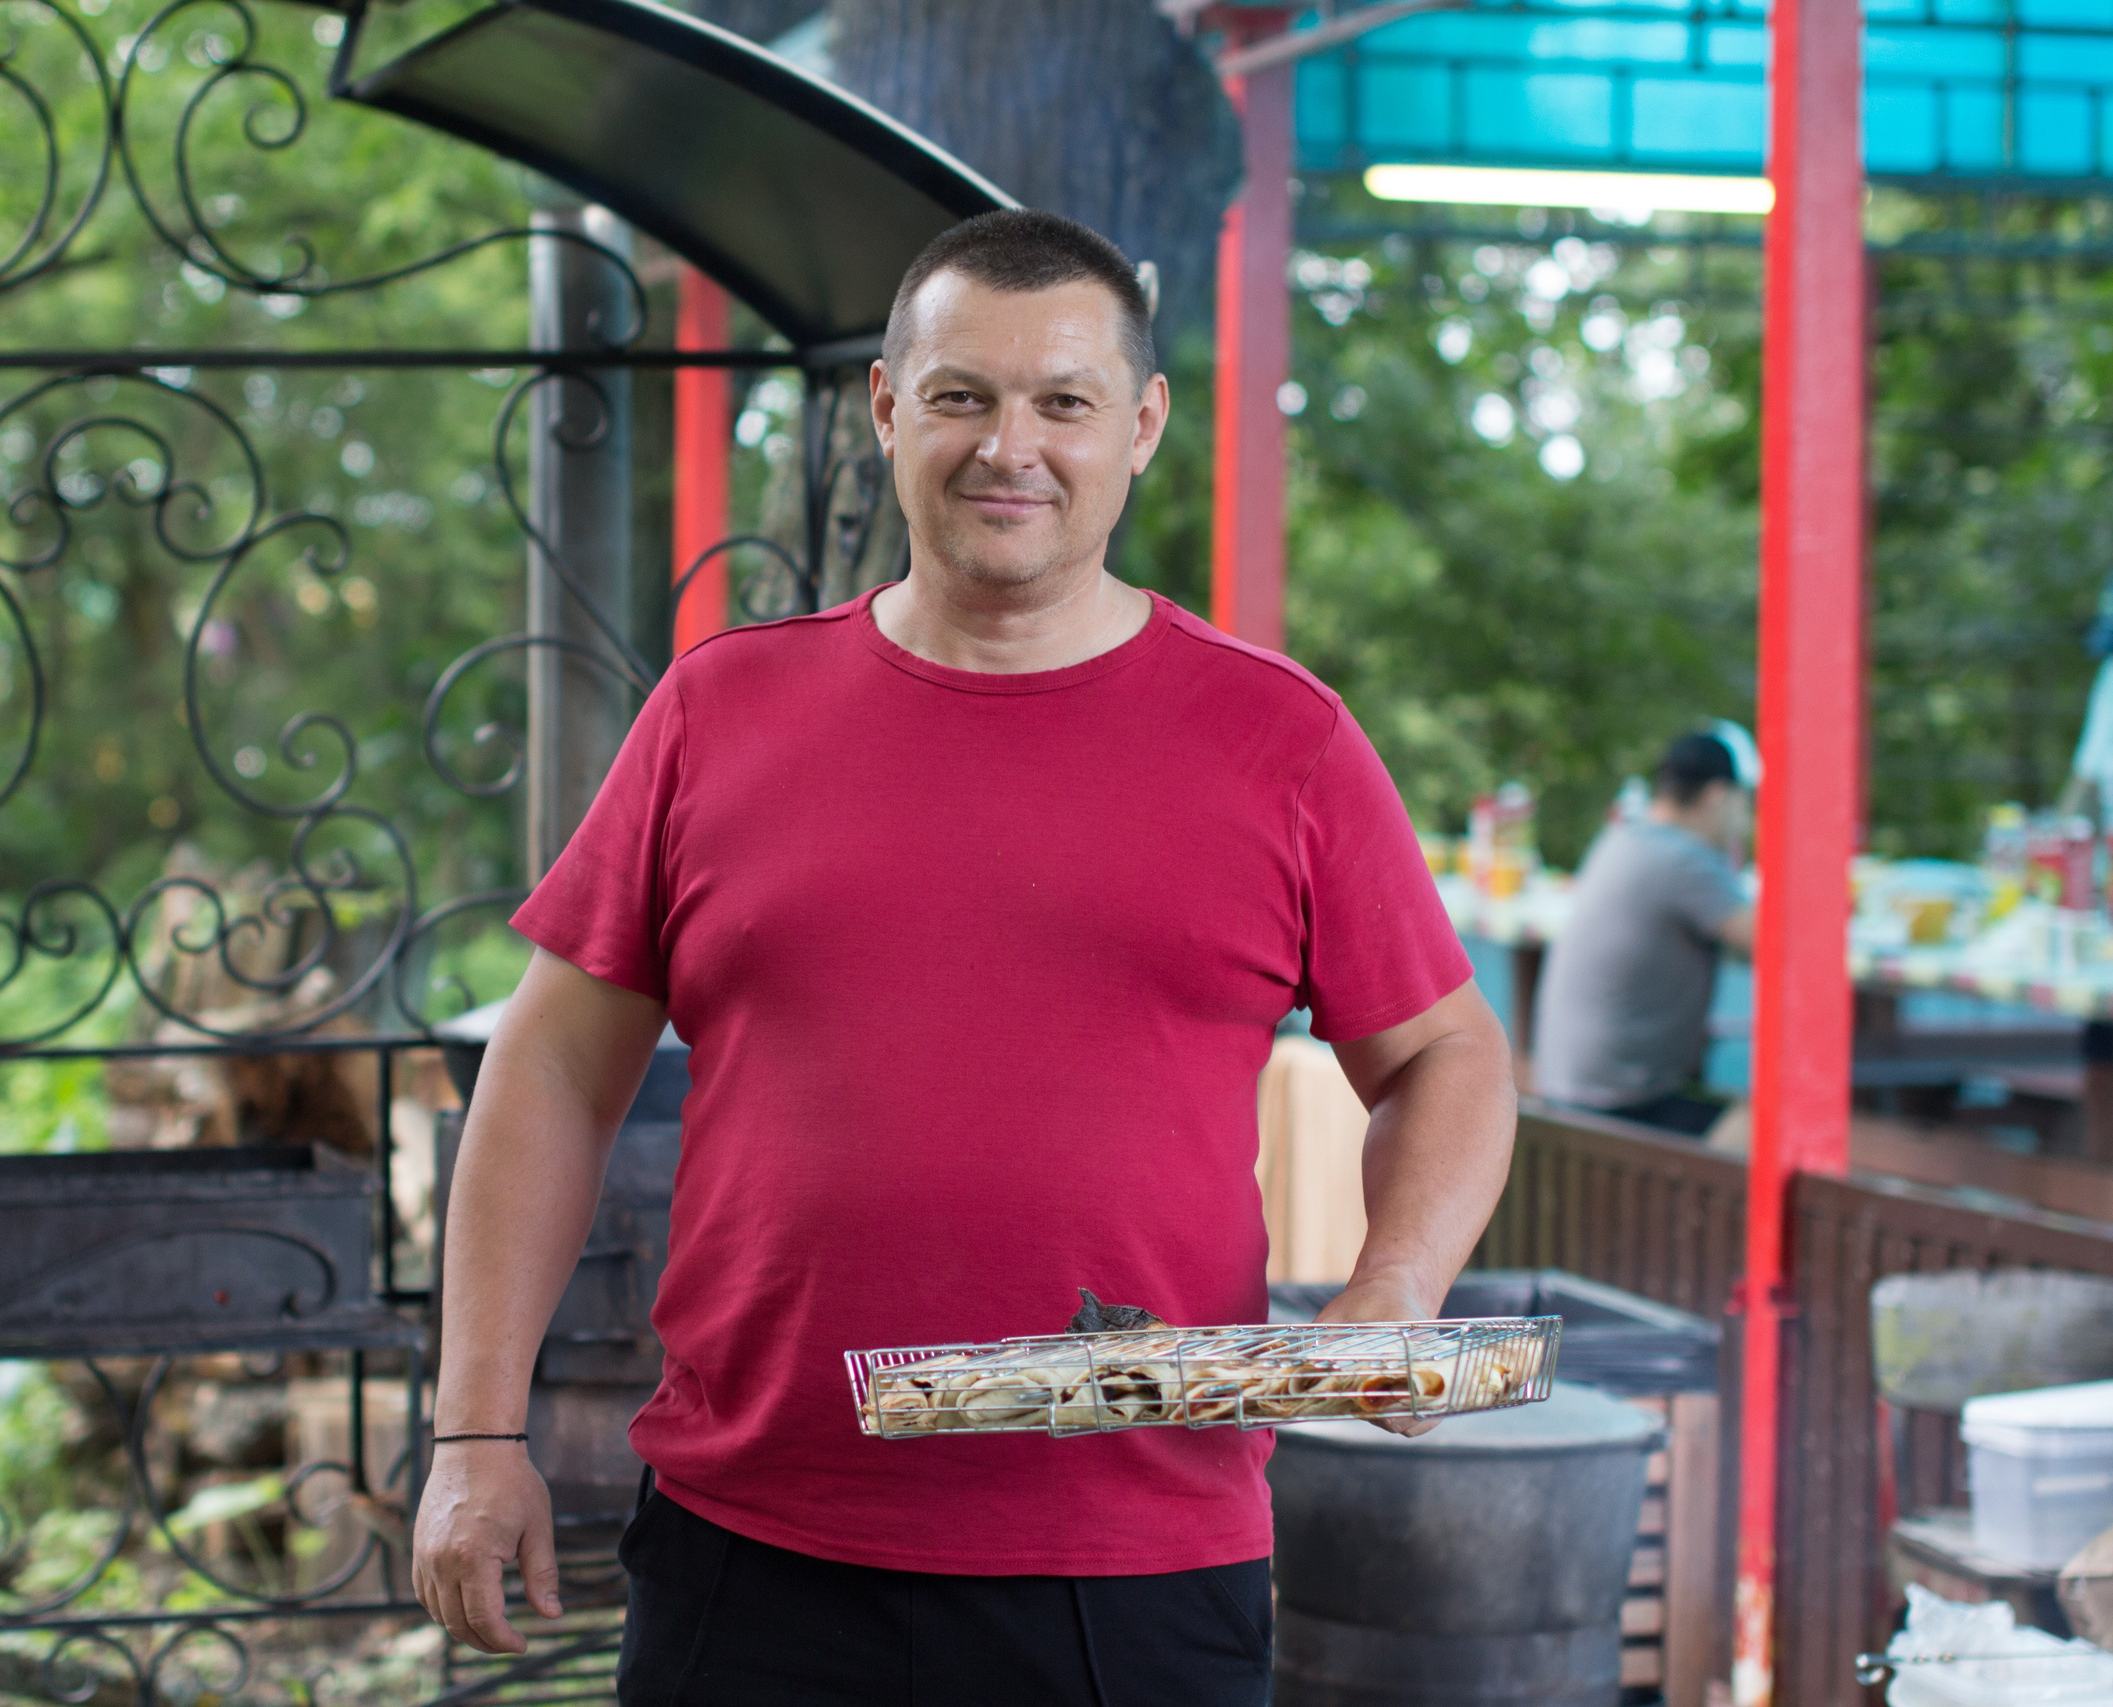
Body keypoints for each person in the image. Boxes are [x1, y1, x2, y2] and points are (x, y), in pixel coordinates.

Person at [411, 208, 1517, 1706]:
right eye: (961, 395)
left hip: (1131, 1565)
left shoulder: (1282, 741)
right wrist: (476, 1431)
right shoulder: (718, 710)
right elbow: (546, 1066)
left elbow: (1446, 1050)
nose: (1013, 445)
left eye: (1063, 401)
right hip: (755, 1547)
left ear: (1140, 428)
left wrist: (1395, 1284)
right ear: (887, 408)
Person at [1529, 731, 1756, 1137]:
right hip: (1616, 1106)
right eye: (1745, 805)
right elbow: (1776, 946)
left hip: (1567, 1087)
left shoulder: (1624, 838)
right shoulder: (1686, 860)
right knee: (1763, 1130)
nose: (1746, 822)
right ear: (1718, 796)